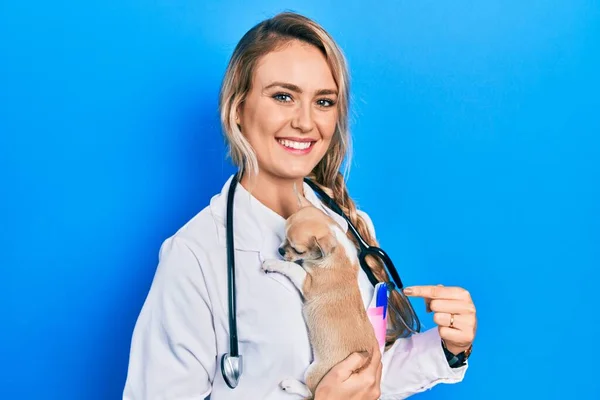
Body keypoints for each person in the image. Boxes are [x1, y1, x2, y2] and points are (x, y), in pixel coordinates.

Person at [123, 11, 477, 400]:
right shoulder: (194, 257)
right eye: (283, 96)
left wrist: (448, 348)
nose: (306, 122)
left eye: (323, 101)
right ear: (238, 109)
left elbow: (366, 373)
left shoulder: (350, 226)